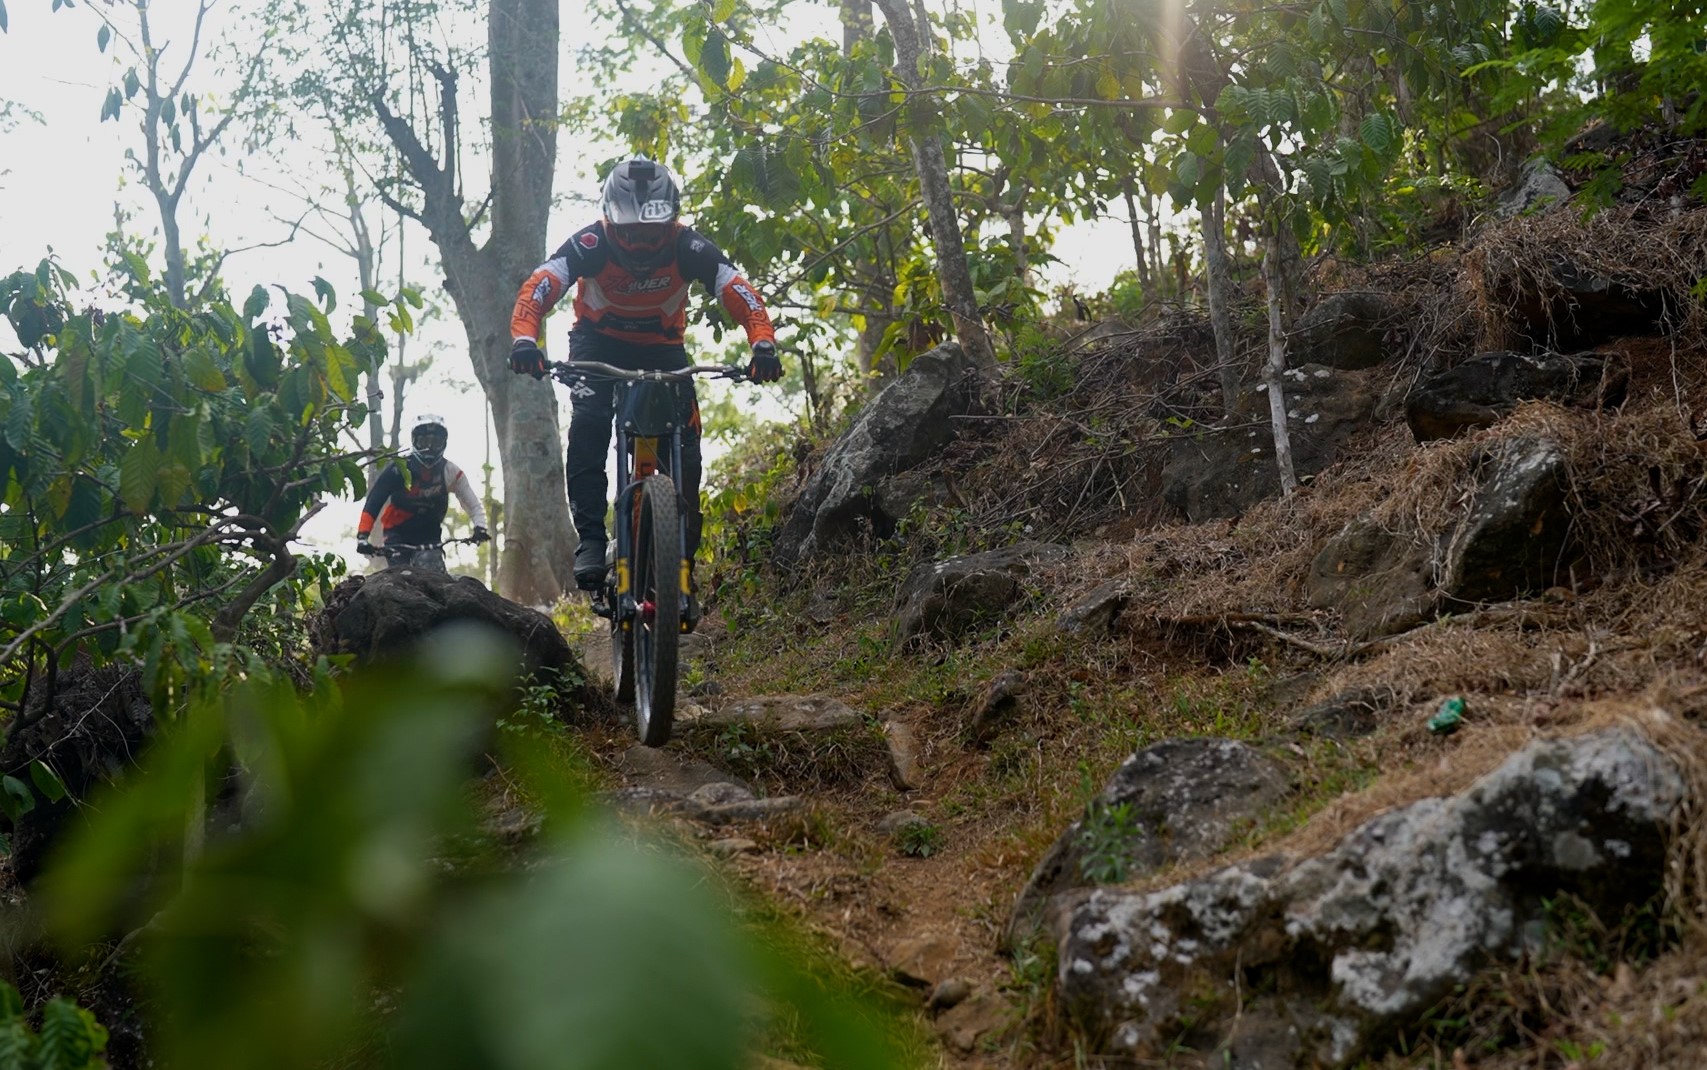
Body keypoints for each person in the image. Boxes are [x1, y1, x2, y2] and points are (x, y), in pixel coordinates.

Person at [507, 155, 783, 594]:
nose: (639, 242)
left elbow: (736, 288)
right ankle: (592, 540)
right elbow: (542, 284)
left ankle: (681, 556)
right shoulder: (591, 244)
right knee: (590, 423)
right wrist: (525, 338)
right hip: (596, 344)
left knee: (687, 447)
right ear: (610, 219)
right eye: (629, 231)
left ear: (670, 221)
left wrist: (762, 343)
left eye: (650, 231)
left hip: (663, 348)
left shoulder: (688, 247)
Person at [356, 413, 490, 567]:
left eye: (436, 442)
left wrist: (480, 527)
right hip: (397, 531)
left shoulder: (450, 471)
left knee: (433, 569)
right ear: (415, 441)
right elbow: (374, 501)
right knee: (399, 573)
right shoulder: (399, 468)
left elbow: (473, 504)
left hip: (429, 533)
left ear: (444, 443)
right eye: (424, 442)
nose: (430, 448)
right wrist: (363, 536)